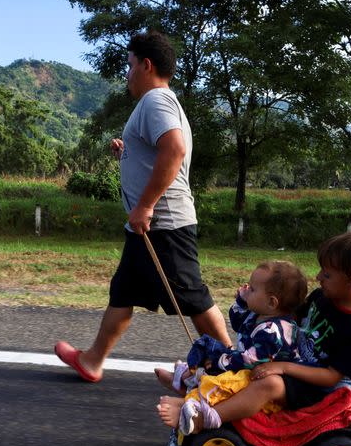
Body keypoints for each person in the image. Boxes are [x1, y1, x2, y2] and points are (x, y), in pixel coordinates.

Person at [54, 30, 231, 382]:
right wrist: (128, 152)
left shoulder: (156, 101)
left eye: (130, 65)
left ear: (146, 65)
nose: (127, 73)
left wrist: (146, 205)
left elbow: (174, 150)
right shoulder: (159, 103)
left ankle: (231, 366)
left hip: (163, 224)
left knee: (192, 296)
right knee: (124, 292)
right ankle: (92, 360)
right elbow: (160, 153)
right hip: (150, 226)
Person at [157, 230, 351, 435]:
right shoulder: (324, 297)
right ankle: (191, 388)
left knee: (268, 383)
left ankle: (207, 418)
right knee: (248, 360)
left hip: (319, 390)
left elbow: (331, 377)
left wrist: (282, 367)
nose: (319, 277)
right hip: (295, 363)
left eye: (327, 275)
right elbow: (291, 315)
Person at [155, 261, 307, 395]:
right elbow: (237, 322)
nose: (248, 290)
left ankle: (189, 382)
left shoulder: (273, 331)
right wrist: (241, 302)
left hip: (260, 375)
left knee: (220, 369)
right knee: (205, 343)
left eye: (253, 289)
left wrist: (219, 361)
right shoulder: (259, 314)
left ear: (271, 303)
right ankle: (190, 373)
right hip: (246, 364)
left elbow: (251, 360)